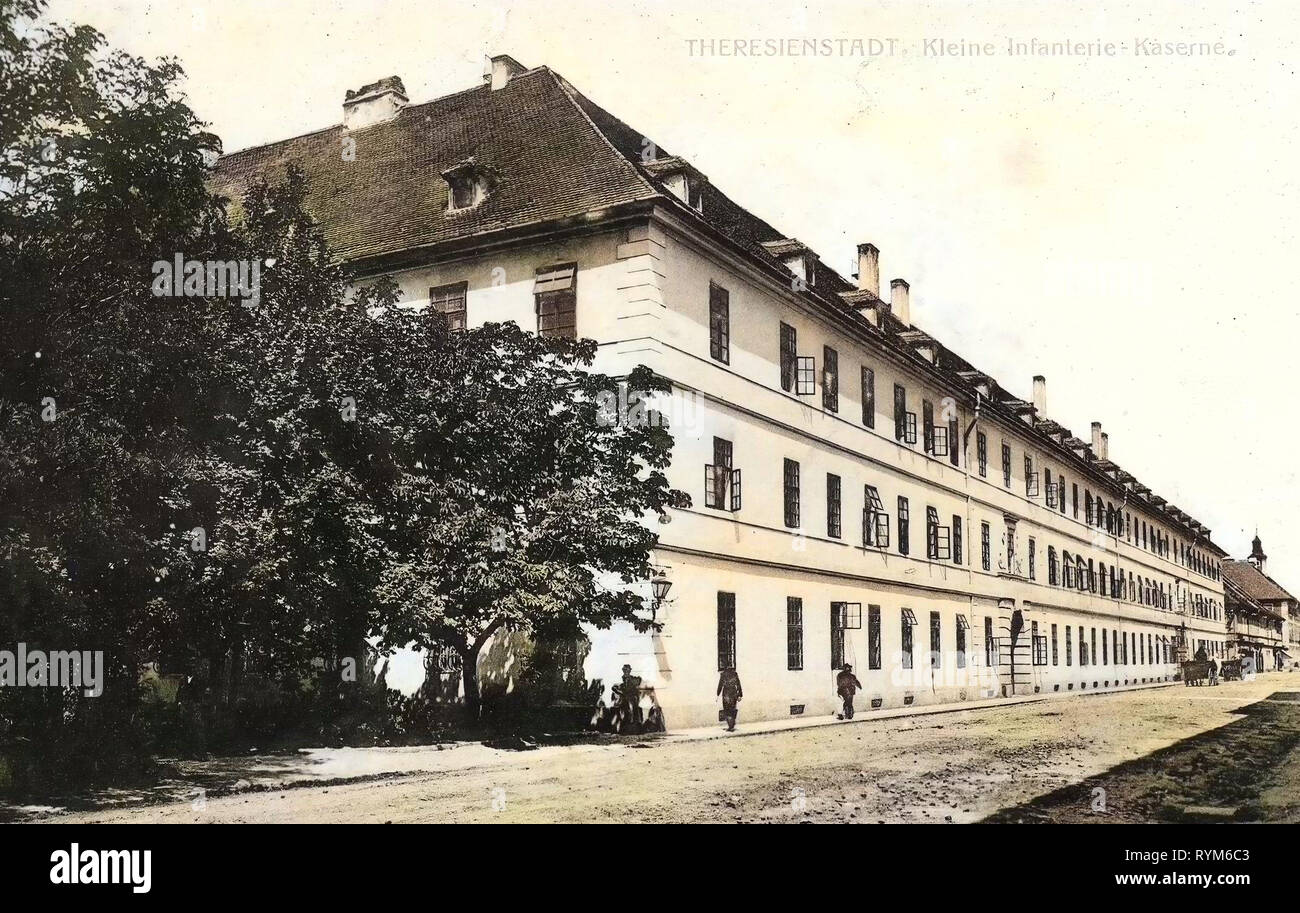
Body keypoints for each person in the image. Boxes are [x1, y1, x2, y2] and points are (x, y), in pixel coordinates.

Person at [716, 667, 742, 731]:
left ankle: (730, 726)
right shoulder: (734, 674)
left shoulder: (723, 674)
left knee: (727, 709)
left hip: (726, 693)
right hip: (733, 693)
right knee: (732, 709)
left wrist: (718, 694)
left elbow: (720, 685)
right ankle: (732, 725)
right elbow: (738, 684)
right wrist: (740, 695)